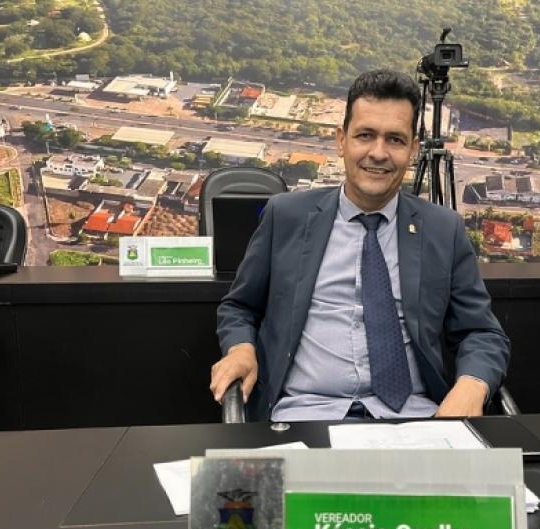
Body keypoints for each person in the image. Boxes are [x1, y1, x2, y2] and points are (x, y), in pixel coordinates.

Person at [211, 69, 509, 421]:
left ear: (413, 149)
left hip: (414, 420)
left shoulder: (443, 229)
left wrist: (472, 386)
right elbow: (240, 307)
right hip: (304, 414)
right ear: (342, 140)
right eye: (365, 135)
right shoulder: (286, 215)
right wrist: (241, 349)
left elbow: (481, 332)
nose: (378, 153)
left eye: (395, 139)